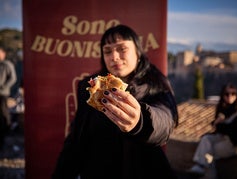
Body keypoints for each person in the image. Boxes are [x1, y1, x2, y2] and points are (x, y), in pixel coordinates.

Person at [52, 25, 179, 179]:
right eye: (107, 51)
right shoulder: (91, 87)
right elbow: (77, 138)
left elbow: (166, 119)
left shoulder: (155, 83)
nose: (114, 56)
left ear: (138, 52)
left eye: (122, 49)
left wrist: (141, 121)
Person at [189, 83, 237, 178]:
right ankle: (202, 167)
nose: (230, 96)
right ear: (223, 95)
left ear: (236, 95)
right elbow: (221, 129)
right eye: (227, 94)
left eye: (233, 94)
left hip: (236, 144)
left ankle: (205, 171)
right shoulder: (223, 109)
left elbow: (232, 130)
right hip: (226, 140)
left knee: (208, 152)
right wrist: (218, 124)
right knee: (206, 139)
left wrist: (219, 124)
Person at [0, 46, 17, 149]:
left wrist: (3, 86)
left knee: (3, 113)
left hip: (3, 93)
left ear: (3, 54)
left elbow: (13, 78)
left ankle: (7, 128)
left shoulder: (7, 64)